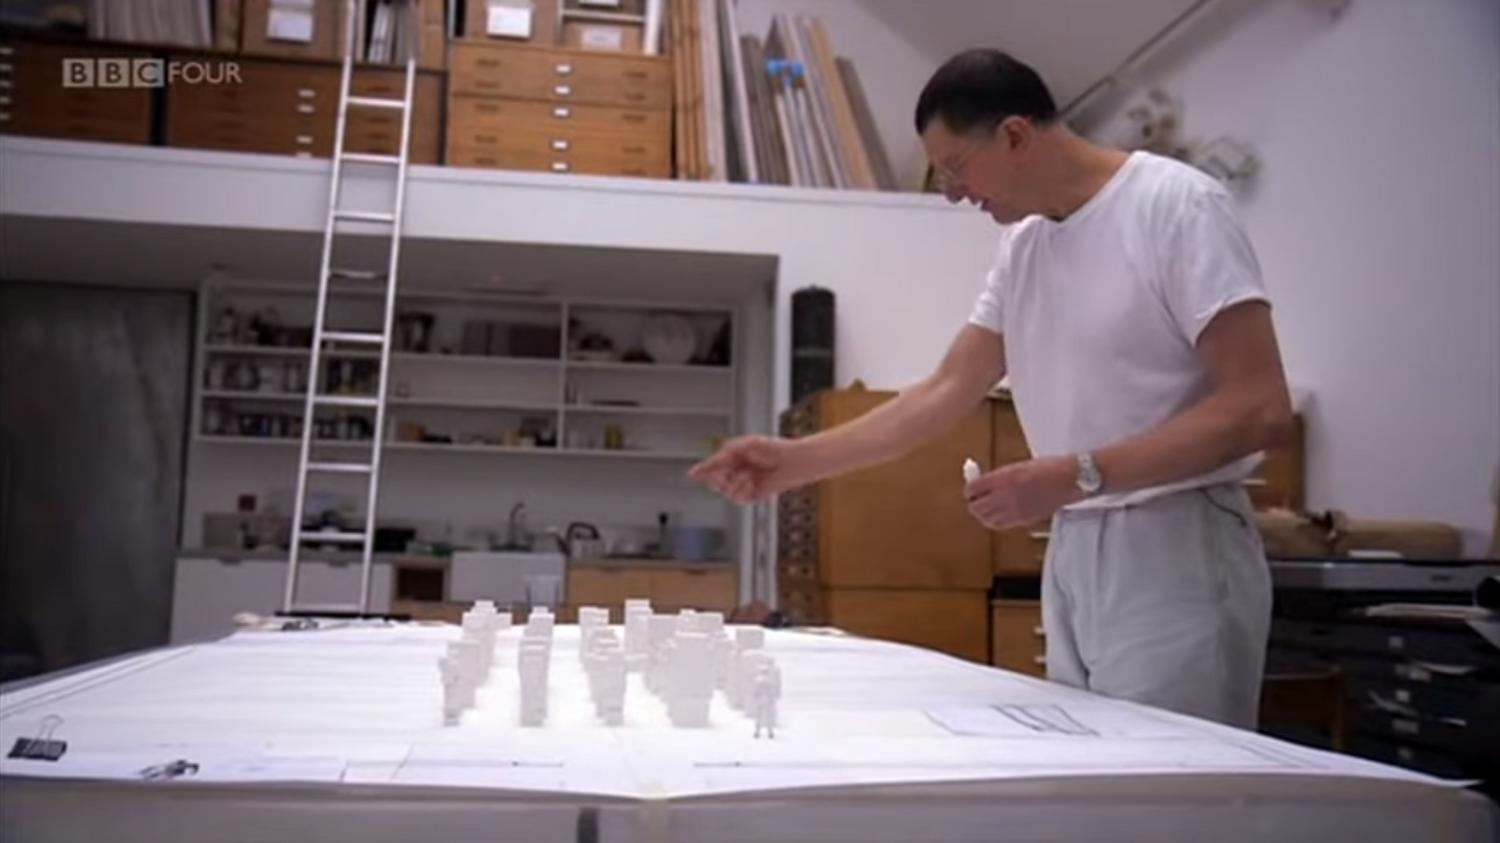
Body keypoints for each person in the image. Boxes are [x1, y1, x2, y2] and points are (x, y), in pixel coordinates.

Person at [688, 49, 1295, 731]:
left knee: (1170, 777)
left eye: (956, 167)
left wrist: (1077, 473)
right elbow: (948, 388)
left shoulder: (1176, 205)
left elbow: (1260, 407)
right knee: (1099, 769)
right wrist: (794, 461)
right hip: (1076, 542)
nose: (952, 192)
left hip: (1176, 541)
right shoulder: (1025, 245)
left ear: (1014, 135)